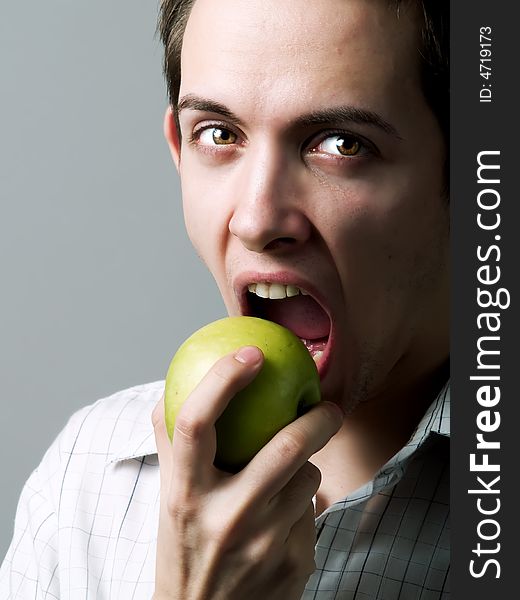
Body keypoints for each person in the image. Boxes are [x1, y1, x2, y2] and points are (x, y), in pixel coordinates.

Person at [0, 0, 450, 598]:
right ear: (178, 151)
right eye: (218, 134)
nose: (256, 219)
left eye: (342, 144)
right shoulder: (86, 481)